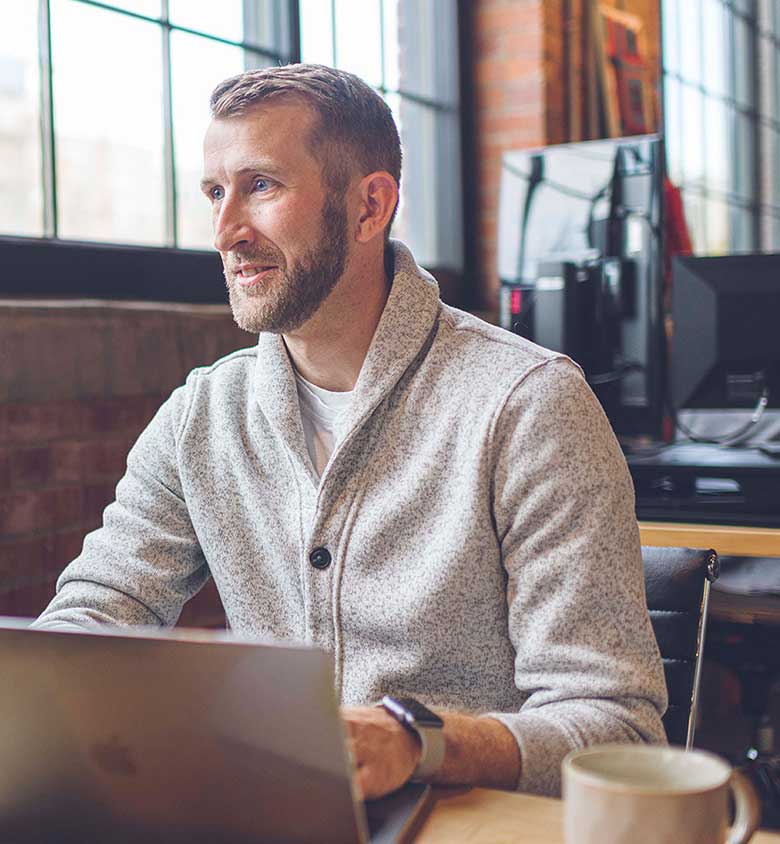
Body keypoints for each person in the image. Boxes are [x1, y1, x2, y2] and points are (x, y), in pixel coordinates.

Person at [34, 63, 666, 798]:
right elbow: (98, 612)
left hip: (468, 820)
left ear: (370, 207)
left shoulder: (529, 405)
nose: (226, 231)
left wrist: (418, 741)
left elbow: (618, 724)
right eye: (215, 192)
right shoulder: (200, 417)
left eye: (261, 186)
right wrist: (16, 703)